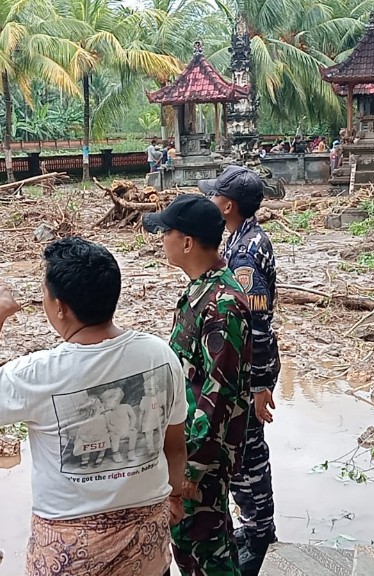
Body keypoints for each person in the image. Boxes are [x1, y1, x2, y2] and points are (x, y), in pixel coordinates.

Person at [0, 237, 189, 576]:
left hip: (72, 555)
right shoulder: (159, 355)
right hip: (147, 548)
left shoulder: (39, 373)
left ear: (60, 307)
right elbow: (175, 446)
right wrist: (175, 497)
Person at [142, 195, 252, 576]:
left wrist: (191, 468)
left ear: (187, 242)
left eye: (166, 232)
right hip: (187, 450)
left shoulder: (222, 305)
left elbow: (219, 395)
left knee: (205, 551)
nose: (162, 240)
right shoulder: (199, 291)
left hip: (200, 457)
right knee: (194, 547)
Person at [199, 166, 280, 576]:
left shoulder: (246, 251)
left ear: (227, 205)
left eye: (214, 196)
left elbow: (258, 324)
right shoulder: (240, 238)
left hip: (249, 374)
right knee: (244, 454)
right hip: (247, 372)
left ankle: (260, 534)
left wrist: (261, 384)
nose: (211, 201)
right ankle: (256, 529)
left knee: (248, 457)